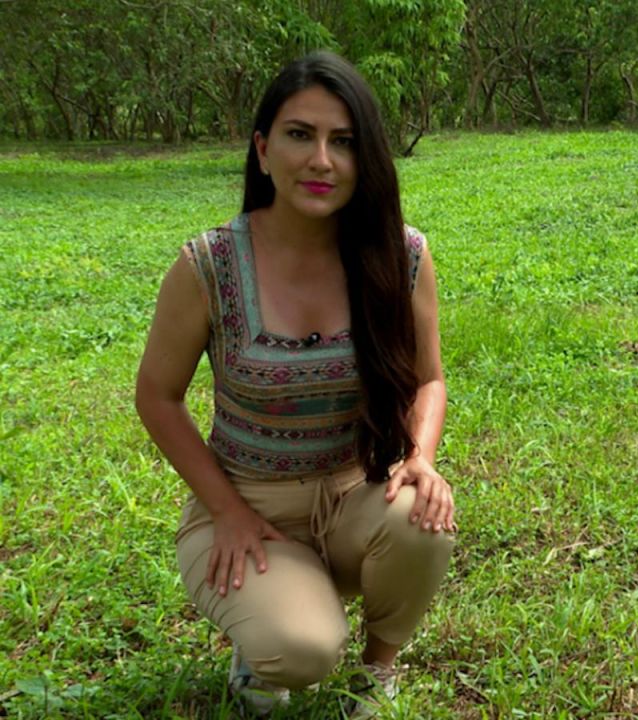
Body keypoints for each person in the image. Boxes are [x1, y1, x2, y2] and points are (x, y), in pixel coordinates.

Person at [134, 51, 456, 716]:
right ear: (261, 149)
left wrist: (420, 458)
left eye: (343, 142)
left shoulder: (402, 256)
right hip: (247, 509)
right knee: (302, 650)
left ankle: (378, 671)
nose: (322, 162)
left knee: (423, 522)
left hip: (355, 492)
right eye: (299, 135)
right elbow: (157, 396)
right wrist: (226, 509)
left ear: (365, 157)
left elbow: (429, 379)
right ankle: (266, 638)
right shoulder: (209, 266)